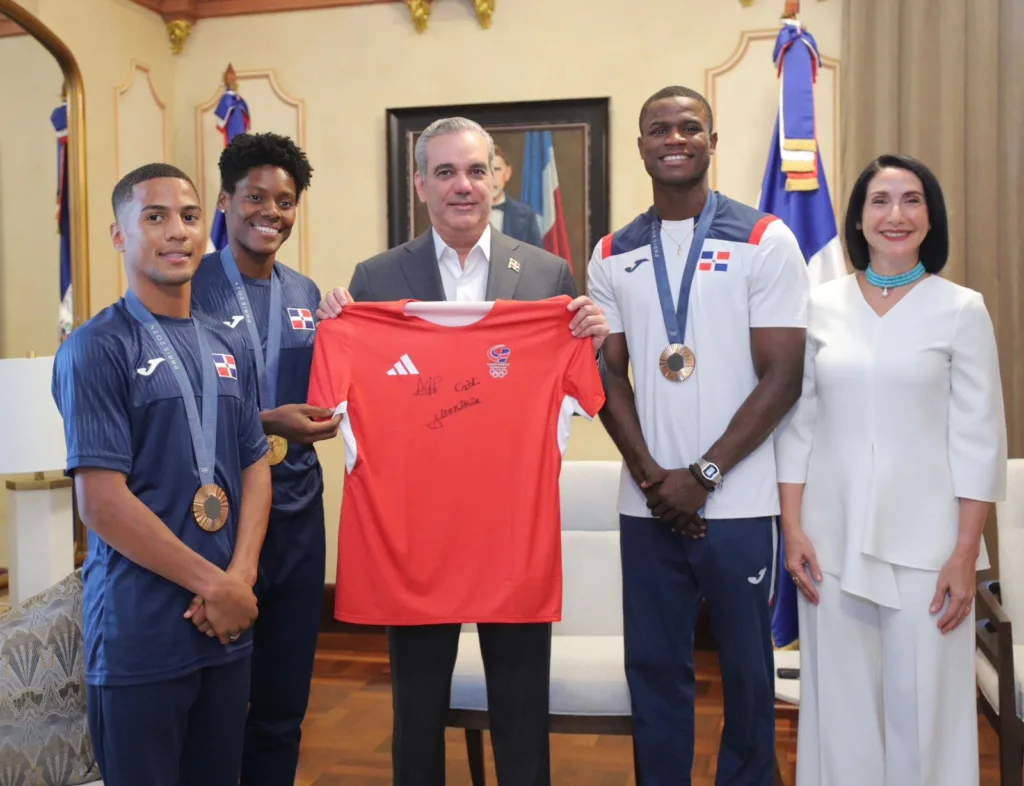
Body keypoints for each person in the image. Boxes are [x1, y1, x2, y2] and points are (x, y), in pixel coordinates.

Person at [316, 116, 609, 786]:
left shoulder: (545, 272)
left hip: (511, 535)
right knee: (416, 714)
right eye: (445, 172)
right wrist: (344, 324)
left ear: (499, 178)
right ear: (421, 184)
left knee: (521, 711)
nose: (462, 185)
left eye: (476, 170)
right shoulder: (377, 278)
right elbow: (340, 404)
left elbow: (582, 389)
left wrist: (592, 333)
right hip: (417, 536)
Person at [587, 85, 809, 785]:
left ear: (712, 141)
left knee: (748, 671)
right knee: (653, 668)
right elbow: (605, 375)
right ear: (642, 145)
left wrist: (702, 476)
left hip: (738, 504)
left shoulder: (763, 238)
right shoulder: (611, 252)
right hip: (646, 502)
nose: (674, 138)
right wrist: (655, 477)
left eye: (690, 127)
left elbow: (784, 376)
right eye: (659, 128)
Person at [775, 153, 1007, 786]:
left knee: (925, 710)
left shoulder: (961, 308)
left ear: (931, 219)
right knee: (841, 709)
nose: (895, 215)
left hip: (930, 547)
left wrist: (965, 553)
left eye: (911, 200)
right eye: (879, 200)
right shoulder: (818, 305)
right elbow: (798, 427)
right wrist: (792, 530)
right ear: (858, 218)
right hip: (830, 540)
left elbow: (979, 438)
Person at [51, 163, 271, 786]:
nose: (177, 232)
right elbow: (101, 503)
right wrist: (218, 586)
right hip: (141, 634)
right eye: (155, 217)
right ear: (120, 236)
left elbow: (255, 463)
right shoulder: (96, 347)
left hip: (226, 629)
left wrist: (242, 577)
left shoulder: (225, 345)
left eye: (190, 216)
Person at [190, 132, 339, 785]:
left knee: (283, 702)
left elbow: (333, 387)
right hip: (214, 517)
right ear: (225, 201)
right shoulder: (189, 289)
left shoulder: (307, 294)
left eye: (285, 200)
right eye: (256, 197)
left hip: (299, 515)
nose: (271, 212)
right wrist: (265, 422)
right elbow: (174, 411)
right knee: (216, 701)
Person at [489, 143, 543, 248]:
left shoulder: (526, 215)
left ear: (508, 173)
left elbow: (536, 260)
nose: (492, 177)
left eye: (497, 169)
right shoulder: (465, 213)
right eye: (486, 170)